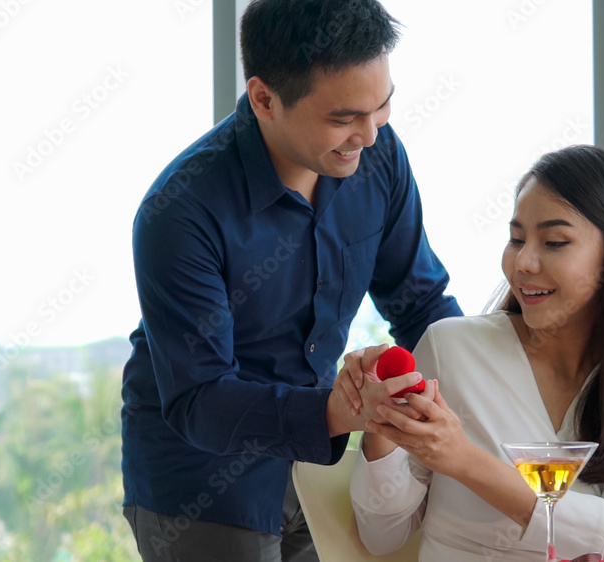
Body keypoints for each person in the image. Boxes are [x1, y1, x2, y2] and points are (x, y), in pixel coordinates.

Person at [119, 1, 462, 560]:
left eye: (383, 107)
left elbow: (421, 302)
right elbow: (200, 399)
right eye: (344, 117)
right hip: (204, 483)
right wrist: (343, 411)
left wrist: (491, 396)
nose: (370, 135)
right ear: (264, 99)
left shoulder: (377, 159)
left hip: (315, 467)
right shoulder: (179, 213)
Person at [342, 144, 604, 561]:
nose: (523, 262)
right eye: (516, 239)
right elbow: (382, 536)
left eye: (554, 241)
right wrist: (381, 428)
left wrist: (464, 460)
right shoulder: (452, 349)